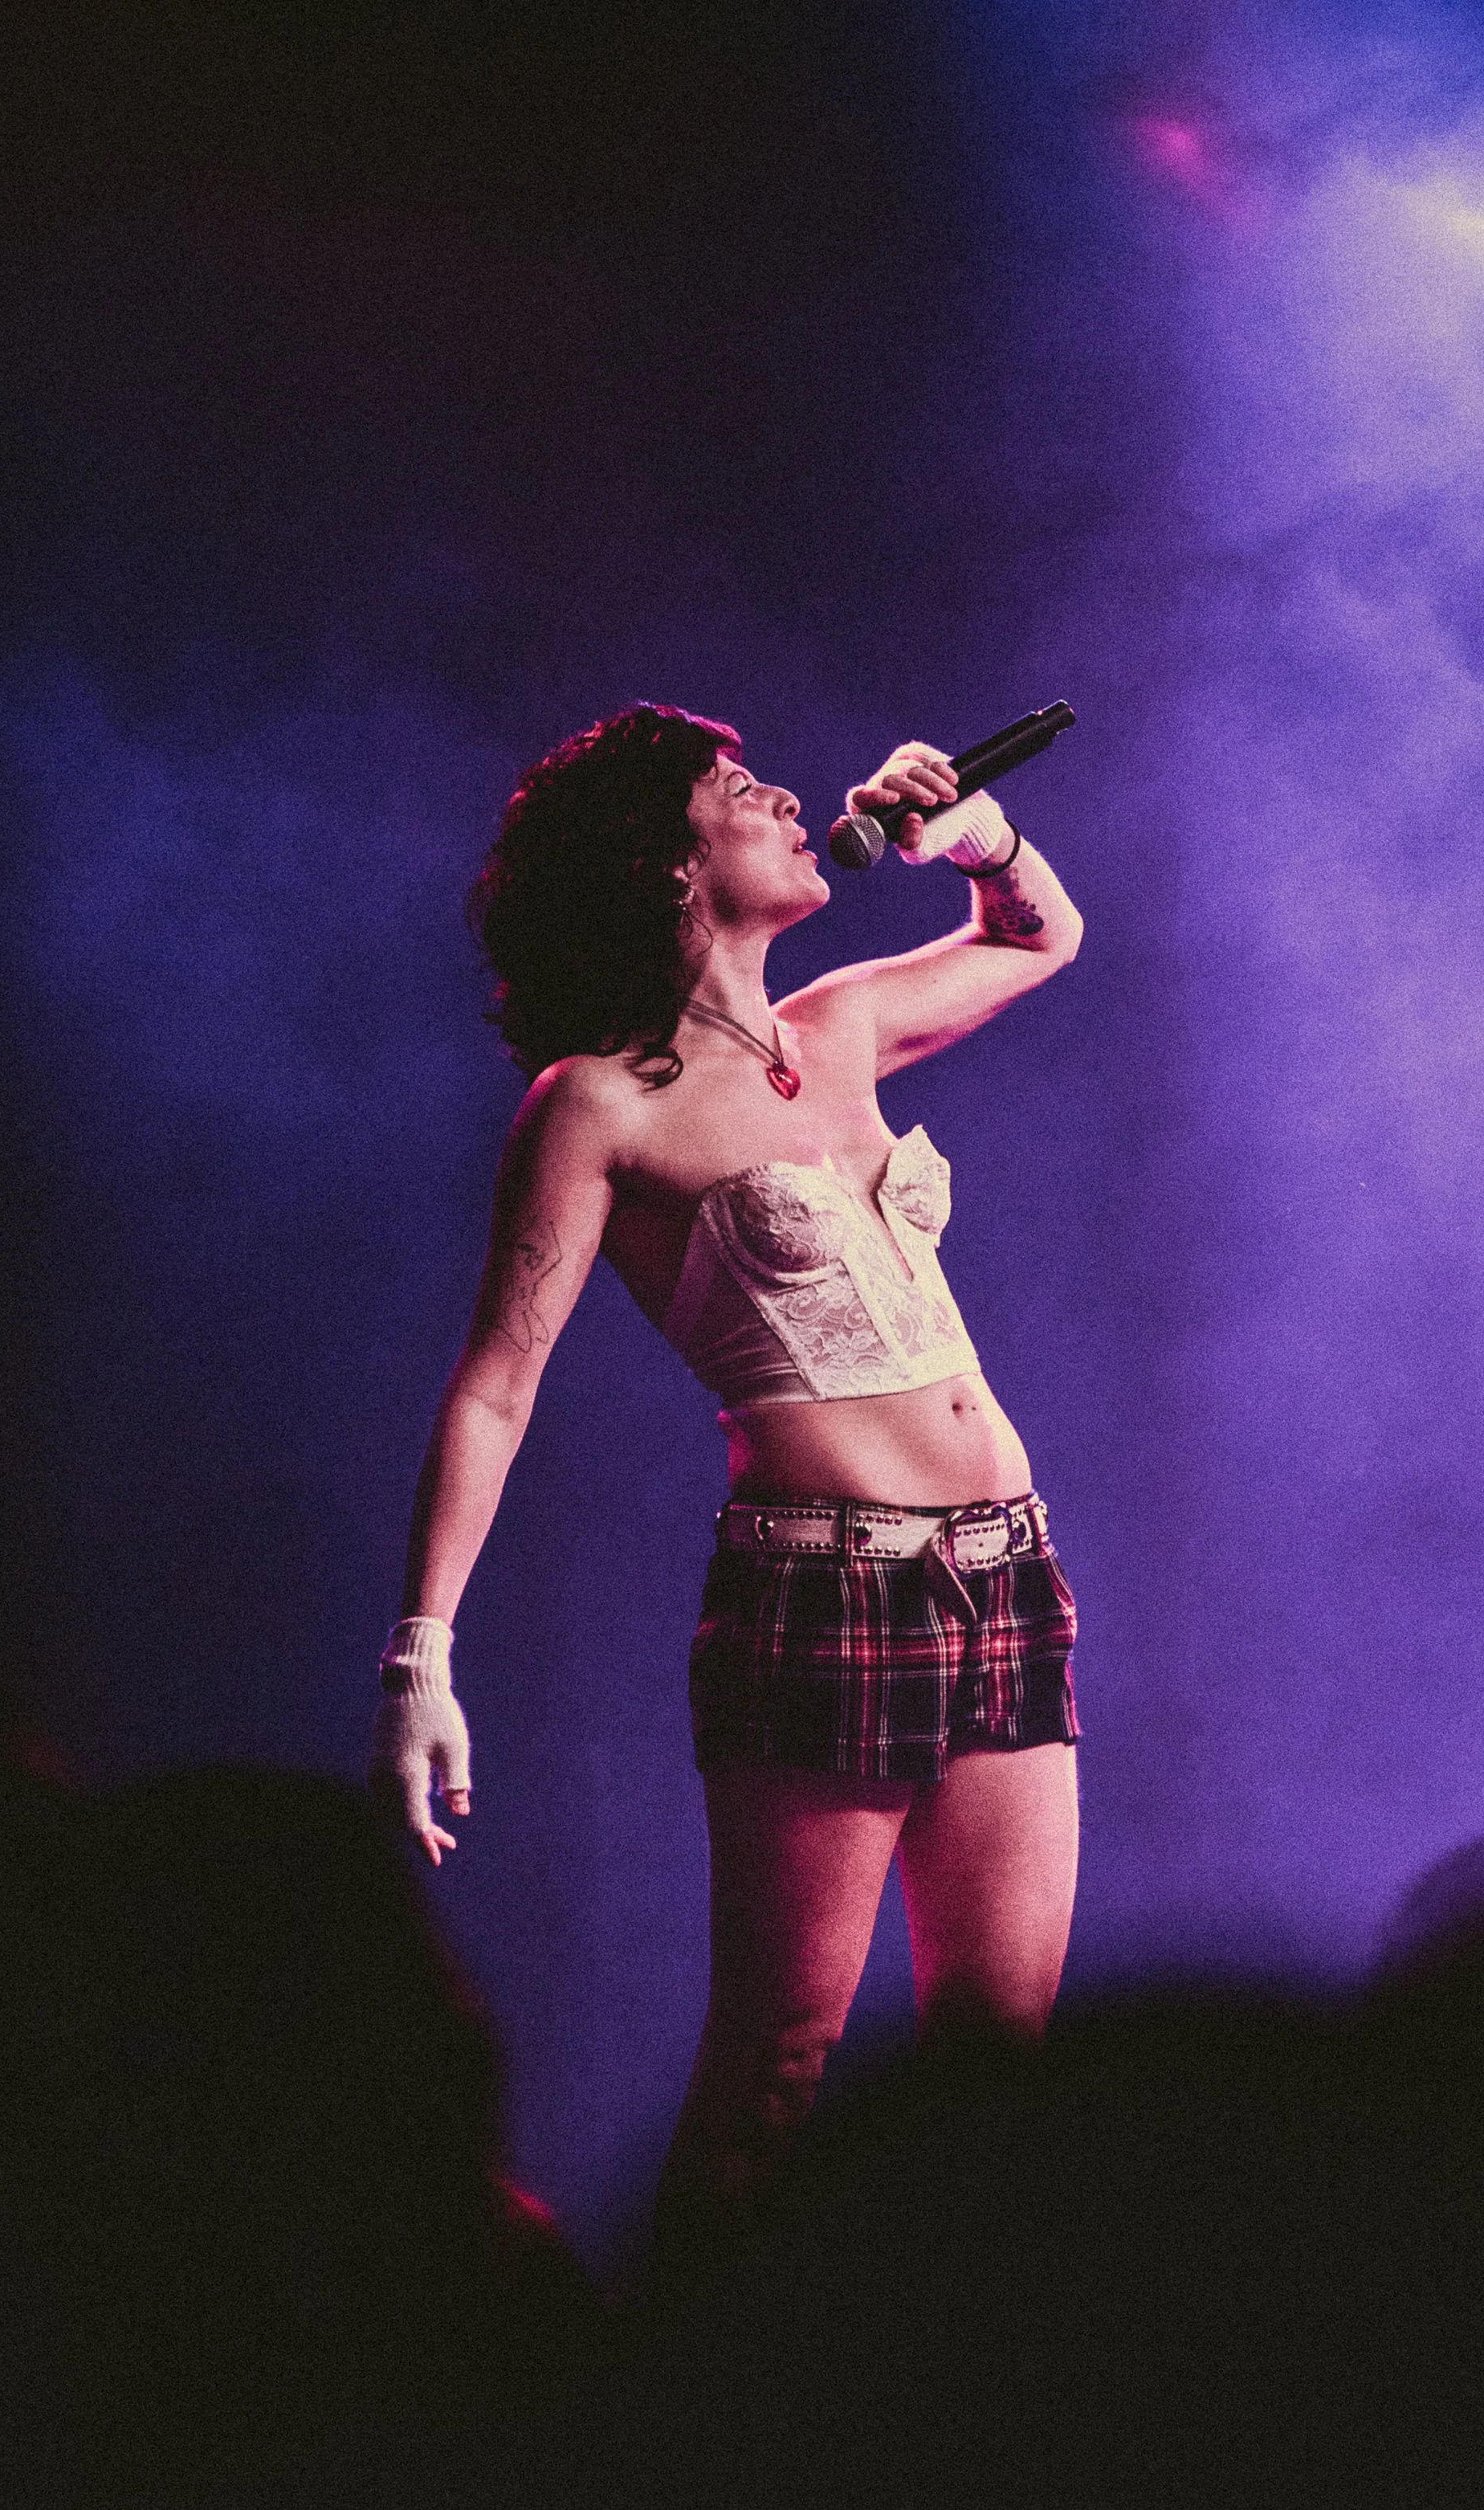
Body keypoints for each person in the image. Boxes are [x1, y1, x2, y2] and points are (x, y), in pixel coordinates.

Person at [369, 702, 1085, 2270]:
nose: (782, 797)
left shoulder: (838, 1024)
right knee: (779, 2061)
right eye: (736, 789)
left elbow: (1037, 937)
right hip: (823, 1583)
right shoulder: (597, 1104)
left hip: (1001, 1564)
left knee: (1003, 2047)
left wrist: (972, 835)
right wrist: (423, 1648)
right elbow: (497, 1379)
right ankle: (671, 2427)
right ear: (665, 864)